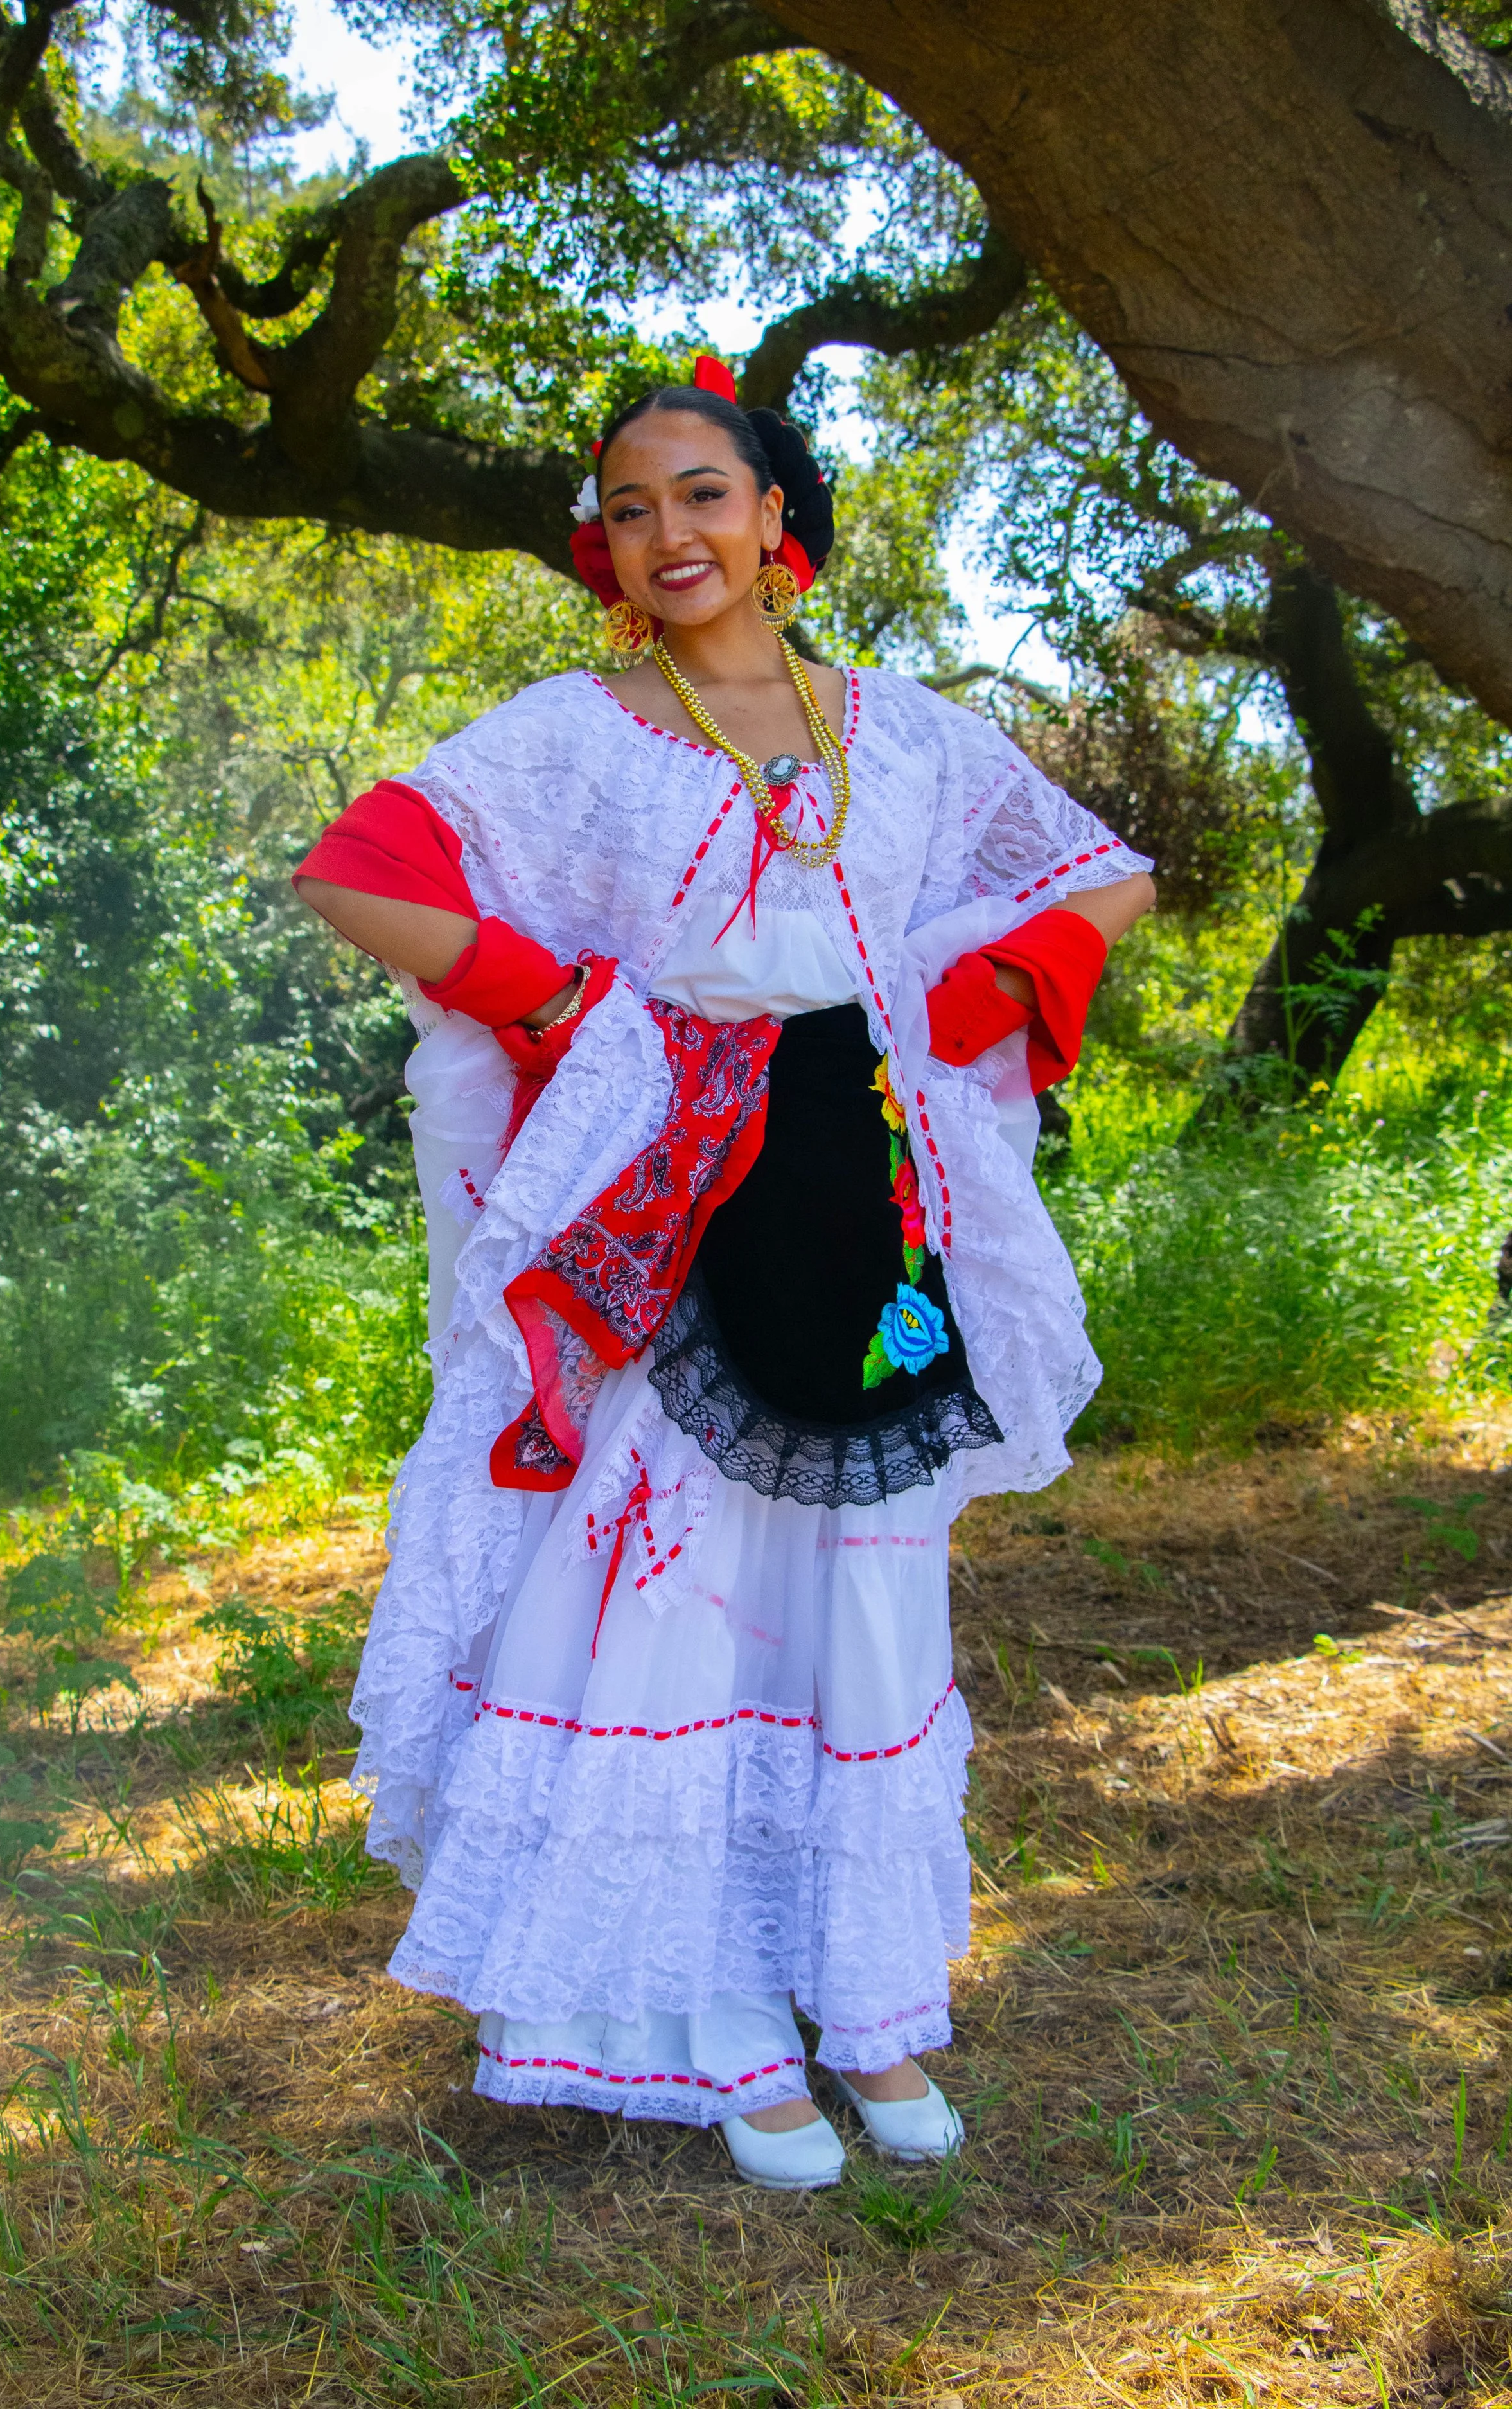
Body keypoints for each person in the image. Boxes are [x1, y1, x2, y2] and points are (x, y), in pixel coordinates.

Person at [294, 357, 1155, 2189]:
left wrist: (978, 993)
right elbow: (361, 866)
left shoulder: (904, 727)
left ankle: (868, 2002)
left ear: (776, 520)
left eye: (700, 494)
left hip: (863, 1201)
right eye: (628, 507)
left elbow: (1099, 876)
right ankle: (709, 2021)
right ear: (601, 548)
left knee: (868, 1580)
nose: (665, 532)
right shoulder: (572, 730)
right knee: (681, 1587)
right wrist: (558, 1005)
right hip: (675, 1191)